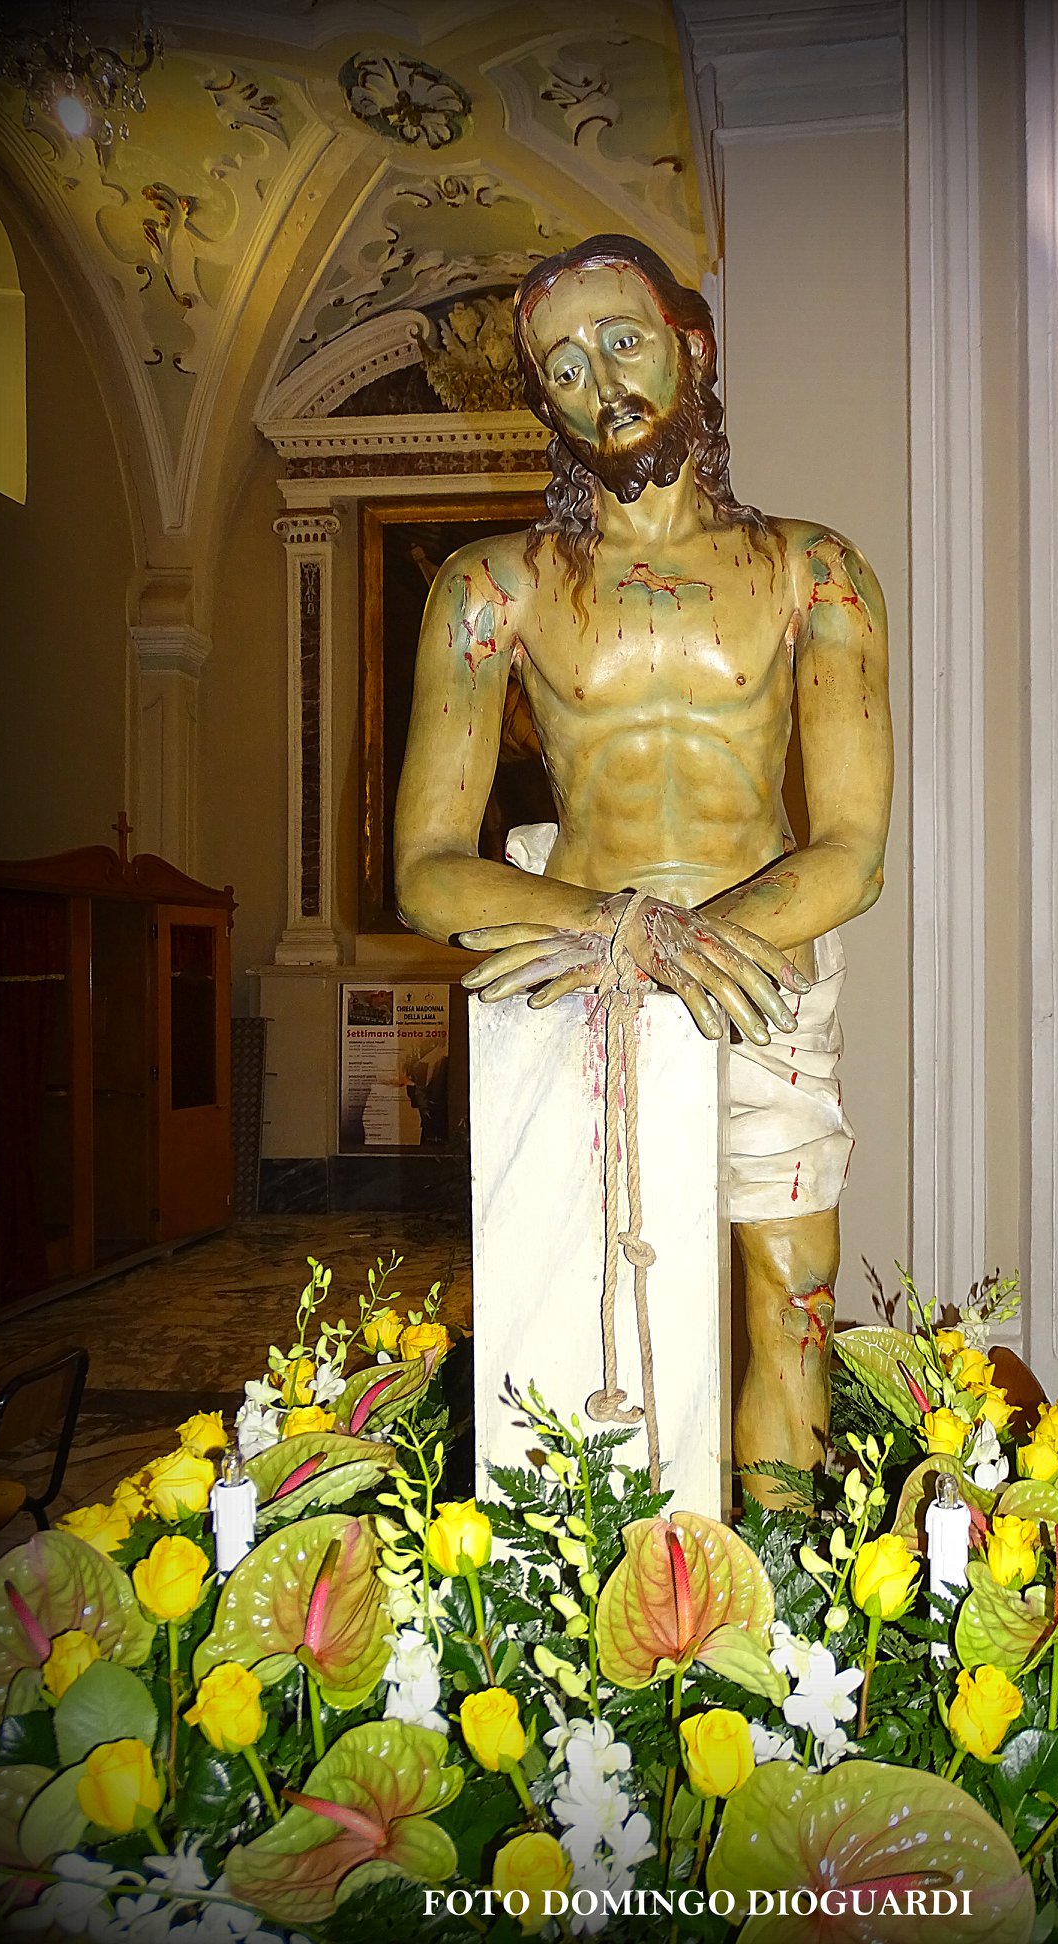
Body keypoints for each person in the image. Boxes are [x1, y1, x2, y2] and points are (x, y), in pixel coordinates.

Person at [394, 234, 892, 1501]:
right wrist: (631, 930)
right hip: (575, 986)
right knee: (574, 1302)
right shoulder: (488, 588)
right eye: (561, 364)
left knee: (793, 1304)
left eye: (623, 339)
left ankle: (775, 1627)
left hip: (764, 983)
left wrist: (697, 938)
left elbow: (852, 847)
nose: (598, 379)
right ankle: (573, 1622)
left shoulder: (811, 571)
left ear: (691, 345)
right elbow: (428, 867)